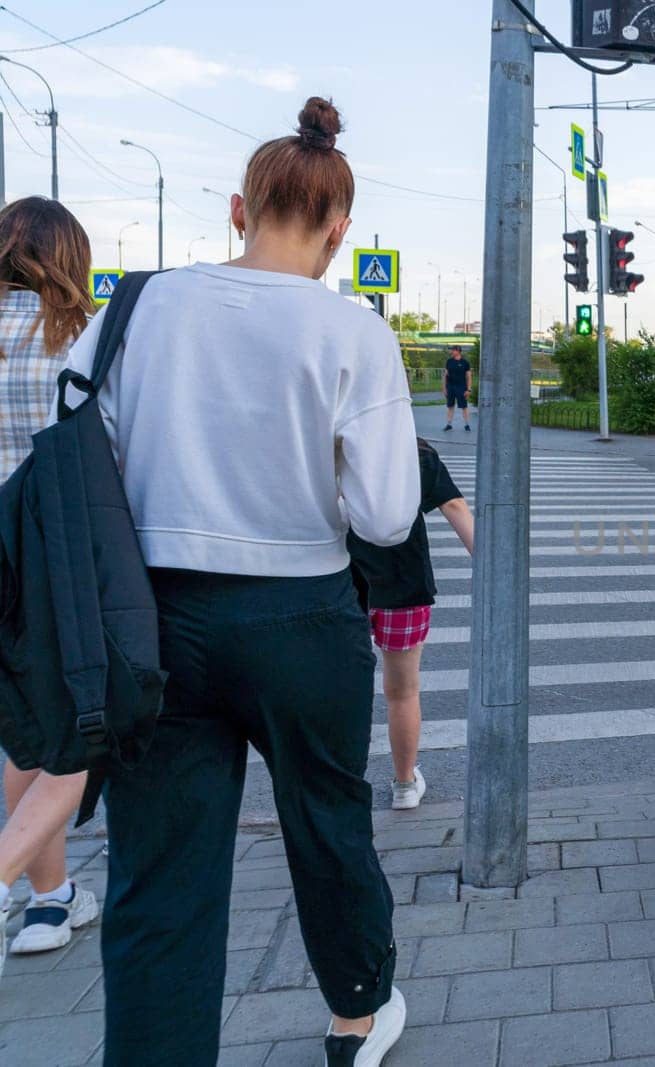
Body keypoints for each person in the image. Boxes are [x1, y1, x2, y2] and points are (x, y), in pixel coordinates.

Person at [65, 98, 419, 1066]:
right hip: (300, 614)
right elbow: (387, 516)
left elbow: (78, 450)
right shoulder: (353, 331)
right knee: (327, 821)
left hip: (154, 616)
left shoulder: (133, 307)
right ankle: (356, 1016)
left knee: (159, 865)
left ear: (237, 207)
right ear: (340, 232)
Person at [0, 197, 100, 977]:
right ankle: (13, 876)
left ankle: (51, 898)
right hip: (58, 554)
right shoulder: (78, 338)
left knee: (25, 731)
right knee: (82, 732)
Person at [348, 437, 474, 810]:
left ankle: (342, 783)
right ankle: (404, 785)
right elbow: (454, 506)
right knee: (402, 692)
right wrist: (491, 566)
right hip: (403, 590)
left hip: (339, 588)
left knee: (341, 689)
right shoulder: (414, 453)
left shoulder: (327, 447)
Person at [442, 344, 471, 431]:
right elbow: (445, 375)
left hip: (461, 387)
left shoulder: (465, 363)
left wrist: (469, 389)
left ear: (458, 351)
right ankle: (449, 424)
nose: (451, 351)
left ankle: (467, 425)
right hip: (450, 387)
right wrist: (444, 388)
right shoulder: (449, 361)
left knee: (464, 406)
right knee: (450, 406)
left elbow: (469, 377)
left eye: (453, 350)